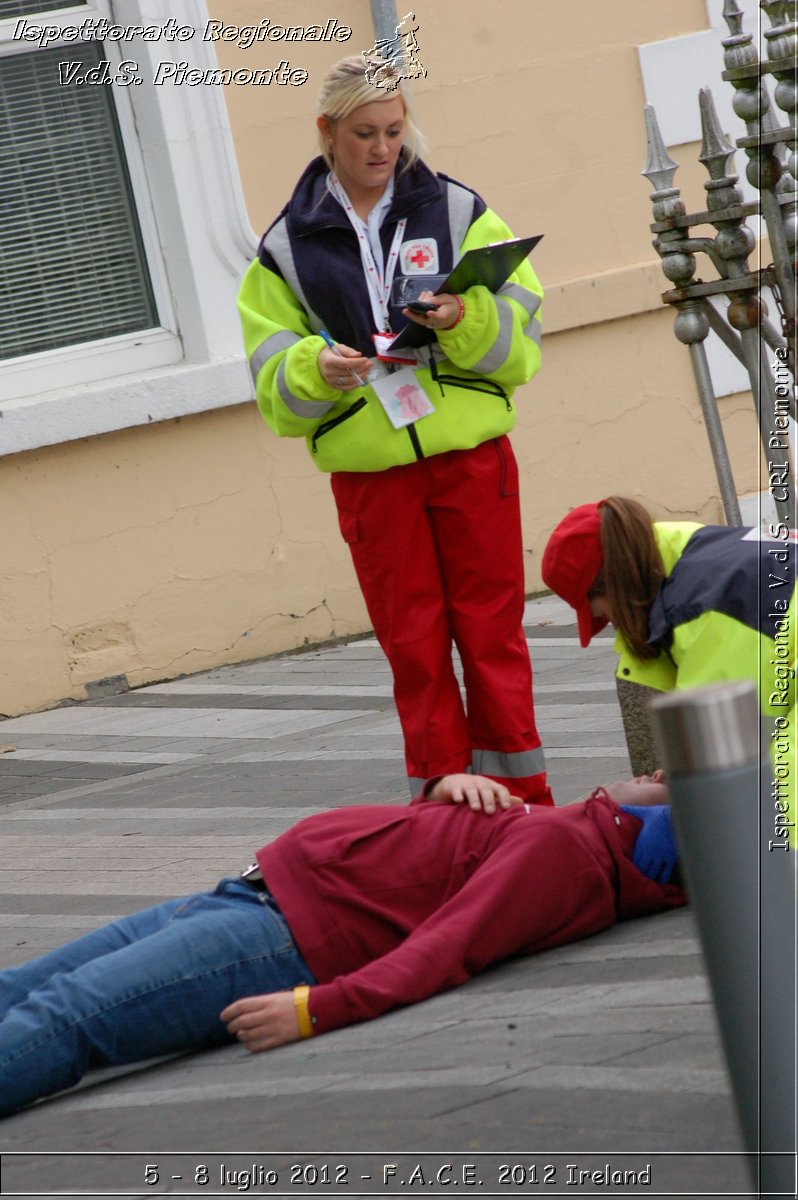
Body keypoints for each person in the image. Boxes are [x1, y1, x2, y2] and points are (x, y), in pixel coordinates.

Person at [0, 772, 684, 1117]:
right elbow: (433, 870)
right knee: (25, 987)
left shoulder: (565, 848)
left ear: (653, 815)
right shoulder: (569, 829)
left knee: (64, 1015)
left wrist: (318, 1009)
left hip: (275, 937)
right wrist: (442, 792)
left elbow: (448, 946)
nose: (650, 767)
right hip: (254, 898)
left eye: (663, 776)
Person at [237, 55, 549, 804]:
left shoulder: (460, 209)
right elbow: (273, 383)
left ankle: (528, 810)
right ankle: (445, 806)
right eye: (364, 134)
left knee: (492, 635)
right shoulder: (284, 249)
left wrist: (467, 318)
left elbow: (524, 337)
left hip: (473, 458)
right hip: (372, 474)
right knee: (413, 645)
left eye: (394, 131)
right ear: (327, 134)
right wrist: (319, 369)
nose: (382, 149)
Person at [541, 496, 797, 848]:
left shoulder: (707, 609)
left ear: (614, 587)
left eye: (602, 613)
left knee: (780, 817)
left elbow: (736, 755)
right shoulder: (691, 552)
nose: (613, 625)